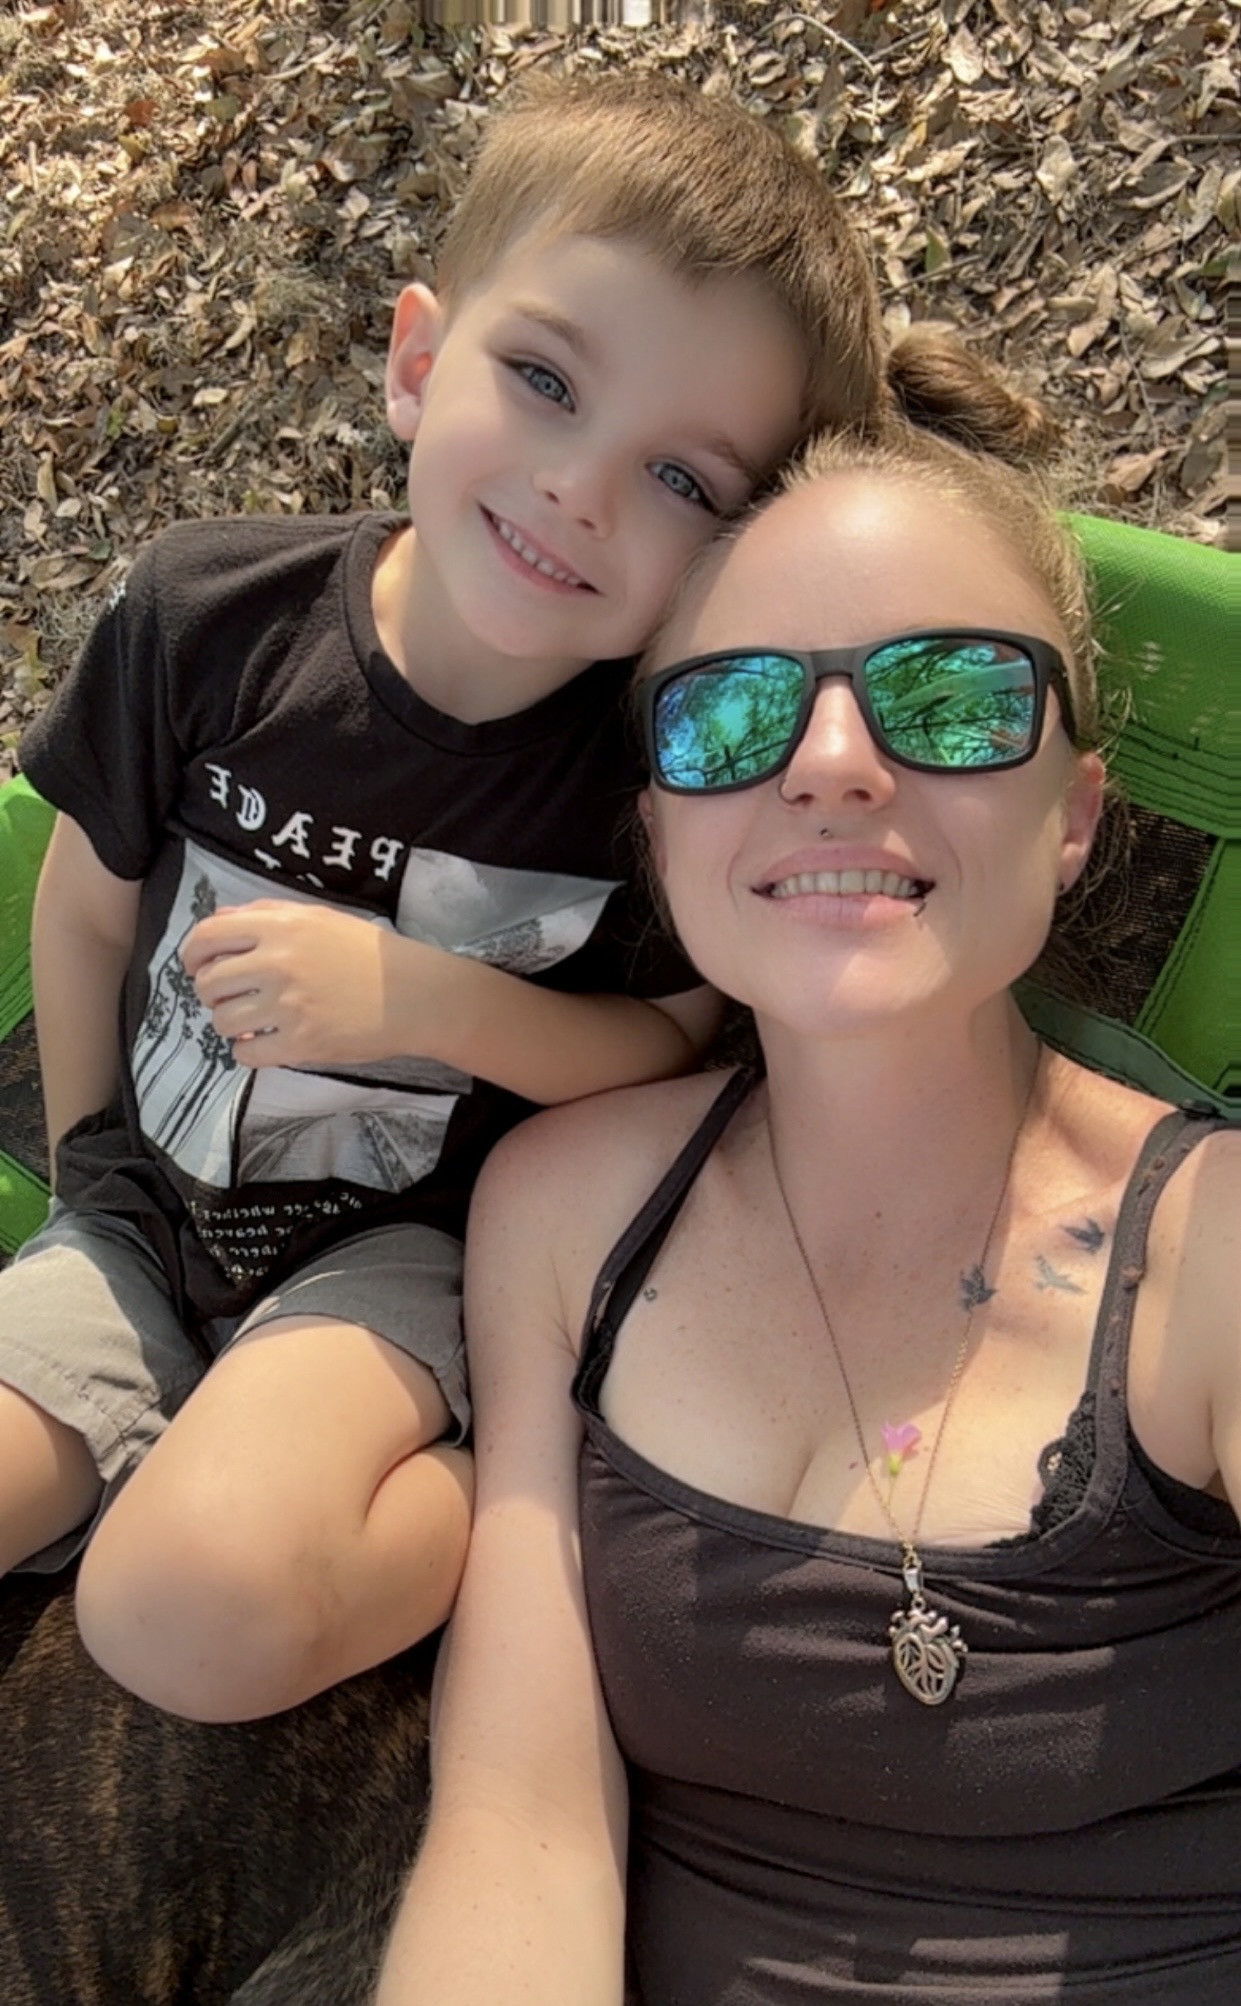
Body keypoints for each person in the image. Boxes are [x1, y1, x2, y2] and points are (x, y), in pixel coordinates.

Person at [0, 72, 892, 1723]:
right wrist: (85, 1175)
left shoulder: (653, 774)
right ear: (419, 361)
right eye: (543, 379)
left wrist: (425, 1002)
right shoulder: (210, 613)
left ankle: (540, 1503)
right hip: (141, 1216)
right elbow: (84, 904)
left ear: (728, 551)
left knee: (189, 1604)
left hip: (402, 1265)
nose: (578, 487)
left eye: (681, 479)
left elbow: (673, 1045)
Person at [377, 407, 1241, 2004]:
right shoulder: (564, 1215)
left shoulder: (1213, 1253)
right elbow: (522, 1832)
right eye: (731, 713)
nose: (832, 762)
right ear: (660, 834)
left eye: (952, 695)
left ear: (1070, 816)